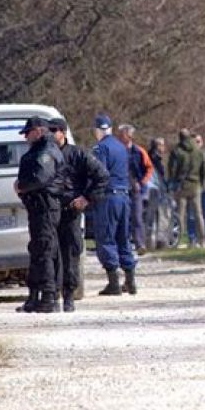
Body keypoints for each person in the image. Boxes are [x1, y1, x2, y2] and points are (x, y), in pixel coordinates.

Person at [48, 117, 109, 312]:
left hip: (70, 211)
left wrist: (86, 198)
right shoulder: (43, 155)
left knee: (70, 254)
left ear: (63, 132)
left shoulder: (78, 154)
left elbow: (102, 176)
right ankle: (49, 296)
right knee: (48, 254)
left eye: (54, 130)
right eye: (49, 130)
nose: (51, 133)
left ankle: (68, 296)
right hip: (48, 212)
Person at [14, 117, 67, 313]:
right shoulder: (40, 150)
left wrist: (22, 186)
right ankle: (36, 297)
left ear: (38, 131)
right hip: (38, 207)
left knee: (45, 251)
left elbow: (41, 178)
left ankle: (48, 297)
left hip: (45, 207)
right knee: (38, 250)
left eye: (28, 132)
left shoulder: (46, 152)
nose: (26, 137)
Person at [91, 114, 137, 295]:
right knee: (123, 237)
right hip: (124, 196)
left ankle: (113, 282)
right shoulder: (121, 147)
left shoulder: (100, 148)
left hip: (108, 197)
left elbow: (99, 174)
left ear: (97, 130)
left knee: (106, 237)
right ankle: (130, 279)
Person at [117, 124, 154, 255]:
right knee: (123, 219)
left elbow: (149, 168)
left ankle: (140, 244)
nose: (120, 137)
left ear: (129, 136)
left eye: (123, 135)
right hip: (120, 189)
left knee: (137, 217)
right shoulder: (116, 151)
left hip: (135, 189)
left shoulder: (139, 151)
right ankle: (124, 245)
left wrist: (142, 182)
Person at [168, 128, 205, 247]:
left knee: (180, 214)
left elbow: (172, 170)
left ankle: (177, 241)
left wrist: (172, 183)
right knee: (198, 214)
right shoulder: (198, 151)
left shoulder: (177, 151)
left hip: (181, 186)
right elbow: (204, 170)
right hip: (195, 185)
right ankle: (202, 240)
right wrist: (201, 182)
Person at [187, 134, 205, 245]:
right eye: (195, 141)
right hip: (192, 188)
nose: (197, 143)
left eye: (199, 141)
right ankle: (192, 238)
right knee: (192, 215)